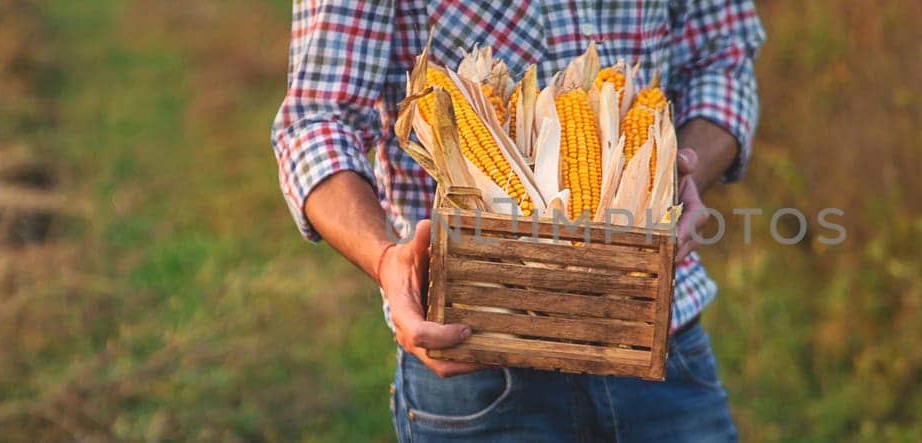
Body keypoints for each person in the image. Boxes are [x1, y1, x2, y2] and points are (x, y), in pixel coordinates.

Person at [270, 1, 763, 441]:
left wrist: (679, 168)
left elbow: (723, 59)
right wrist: (385, 260)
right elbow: (317, 122)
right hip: (477, 358)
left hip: (660, 338)